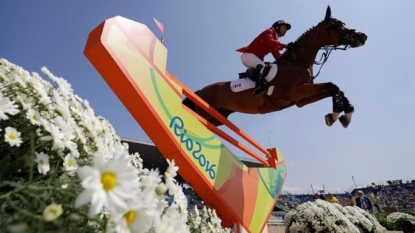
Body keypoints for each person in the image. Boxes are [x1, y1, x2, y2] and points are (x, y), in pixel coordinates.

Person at [236, 20, 292, 95]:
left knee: (268, 67)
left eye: (286, 29)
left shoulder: (275, 40)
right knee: (261, 65)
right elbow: (269, 41)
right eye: (284, 27)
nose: (285, 30)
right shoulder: (269, 31)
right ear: (277, 27)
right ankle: (258, 87)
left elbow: (277, 56)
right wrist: (285, 46)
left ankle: (252, 75)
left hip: (253, 58)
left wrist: (289, 58)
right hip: (248, 56)